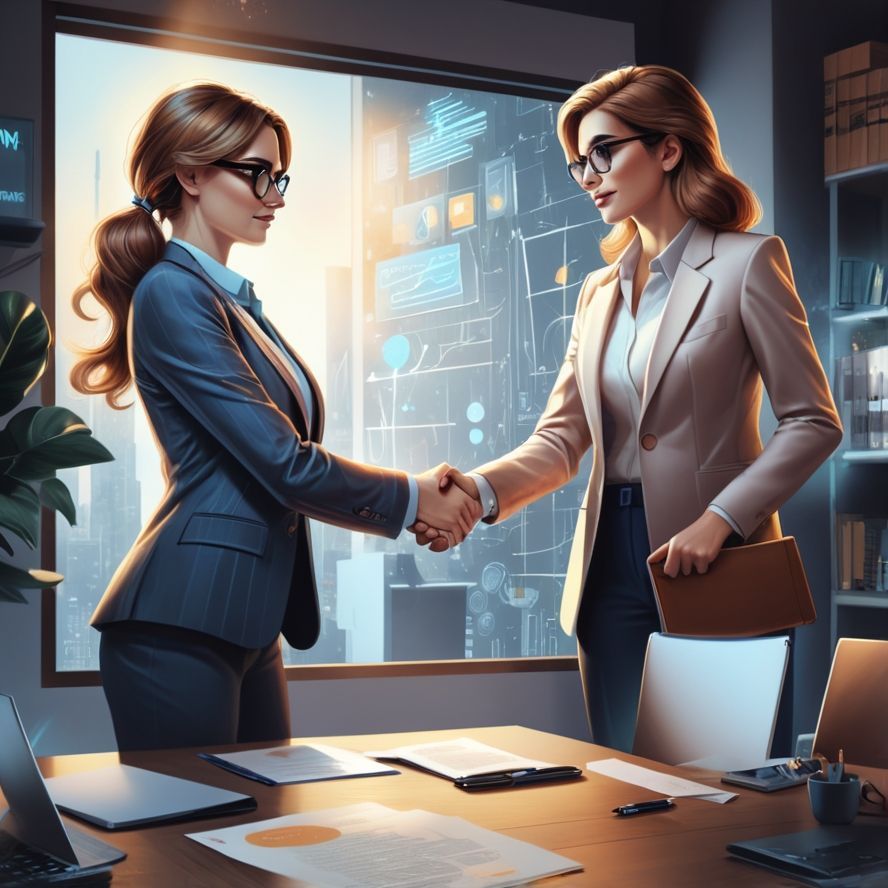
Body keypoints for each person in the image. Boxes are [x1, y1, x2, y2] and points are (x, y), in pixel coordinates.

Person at [415, 65, 842, 752]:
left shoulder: (749, 263)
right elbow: (560, 439)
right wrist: (478, 491)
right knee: (626, 785)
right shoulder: (595, 293)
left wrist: (721, 520)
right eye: (579, 161)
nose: (588, 175)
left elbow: (814, 422)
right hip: (608, 565)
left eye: (605, 152)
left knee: (719, 789)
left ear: (669, 148)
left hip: (718, 563)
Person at [70, 82, 480, 752]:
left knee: (259, 835)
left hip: (244, 618)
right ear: (193, 174)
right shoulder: (172, 293)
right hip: (181, 620)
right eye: (258, 174)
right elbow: (282, 462)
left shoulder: (234, 303)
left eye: (279, 176)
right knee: (190, 842)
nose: (277, 197)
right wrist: (412, 499)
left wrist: (420, 497)